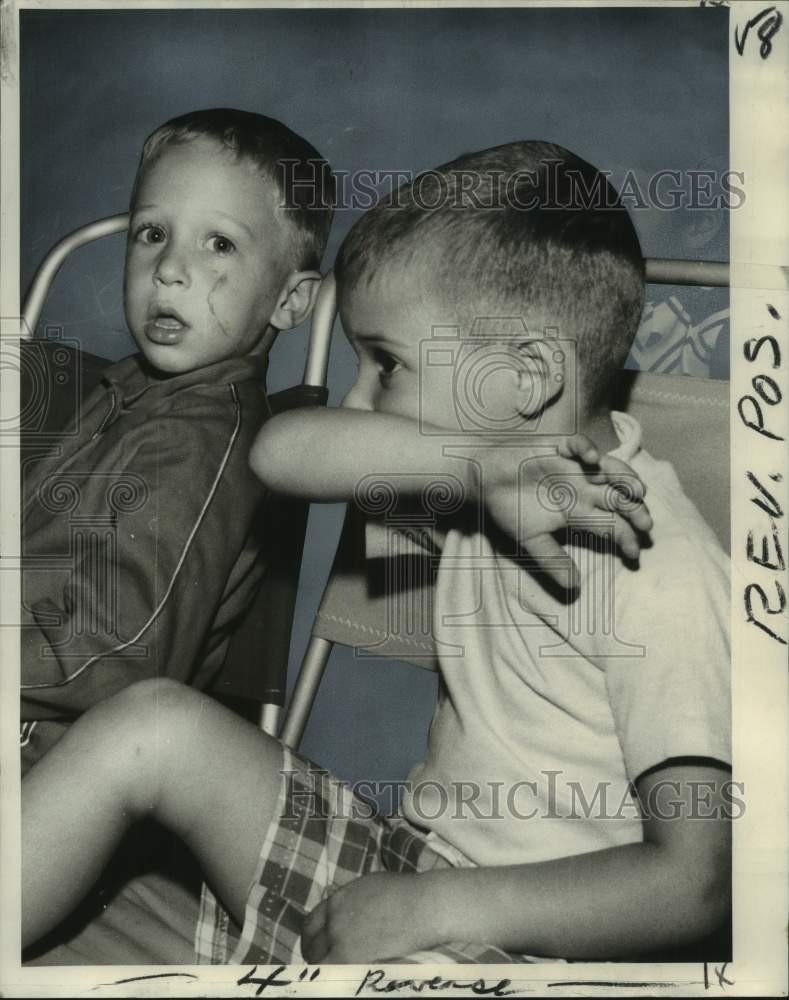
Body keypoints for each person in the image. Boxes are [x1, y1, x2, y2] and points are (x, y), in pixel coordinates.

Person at [22, 142, 730, 964]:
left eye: (385, 364)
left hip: (517, 947)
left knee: (147, 732)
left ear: (526, 375)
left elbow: (695, 884)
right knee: (77, 872)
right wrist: (473, 469)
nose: (359, 401)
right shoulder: (477, 472)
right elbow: (279, 450)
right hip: (409, 873)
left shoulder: (658, 565)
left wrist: (434, 906)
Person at [20, 108, 334, 771]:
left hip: (56, 768)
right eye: (152, 233)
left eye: (218, 244)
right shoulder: (126, 392)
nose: (168, 269)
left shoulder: (203, 435)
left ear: (289, 301)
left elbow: (116, 652)